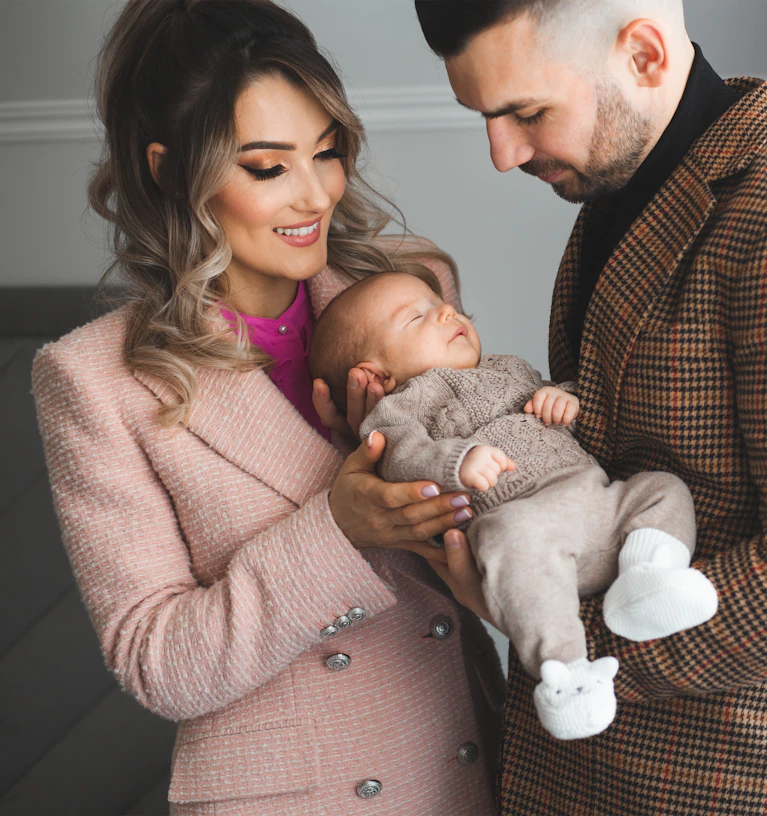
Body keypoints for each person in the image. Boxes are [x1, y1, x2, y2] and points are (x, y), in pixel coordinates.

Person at [413, 1, 767, 813]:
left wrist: (563, 640)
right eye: (486, 117)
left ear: (646, 55)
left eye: (526, 112)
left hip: (720, 784)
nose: (501, 153)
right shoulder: (620, 190)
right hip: (576, 774)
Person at [31, 1, 502, 812]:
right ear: (168, 170)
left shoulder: (412, 289)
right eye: (266, 166)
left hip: (469, 757)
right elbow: (159, 662)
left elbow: (498, 499)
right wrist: (338, 527)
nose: (315, 194)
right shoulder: (91, 380)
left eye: (327, 152)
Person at [308, 268, 718, 740]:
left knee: (661, 489)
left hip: (597, 503)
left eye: (445, 305)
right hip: (527, 526)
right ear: (376, 374)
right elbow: (401, 457)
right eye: (418, 316)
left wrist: (559, 397)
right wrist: (456, 462)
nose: (447, 310)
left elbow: (548, 400)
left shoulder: (506, 368)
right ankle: (567, 673)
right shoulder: (399, 409)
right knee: (511, 538)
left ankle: (651, 574)